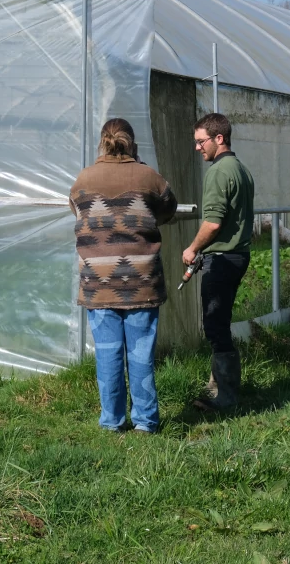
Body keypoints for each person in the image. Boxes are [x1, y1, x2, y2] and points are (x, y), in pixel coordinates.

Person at [69, 118, 177, 434]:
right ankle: (145, 423)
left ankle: (112, 423)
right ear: (133, 142)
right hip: (141, 282)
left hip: (98, 284)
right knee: (141, 354)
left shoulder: (84, 179)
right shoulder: (150, 178)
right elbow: (168, 210)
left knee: (108, 355)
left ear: (102, 142)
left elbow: (75, 210)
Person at [182, 113, 255, 411]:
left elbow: (213, 223)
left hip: (223, 259)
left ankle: (225, 398)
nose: (198, 148)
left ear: (219, 138)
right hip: (237, 255)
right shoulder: (241, 169)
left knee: (215, 326)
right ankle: (219, 386)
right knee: (219, 322)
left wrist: (192, 248)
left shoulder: (218, 172)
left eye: (201, 142)